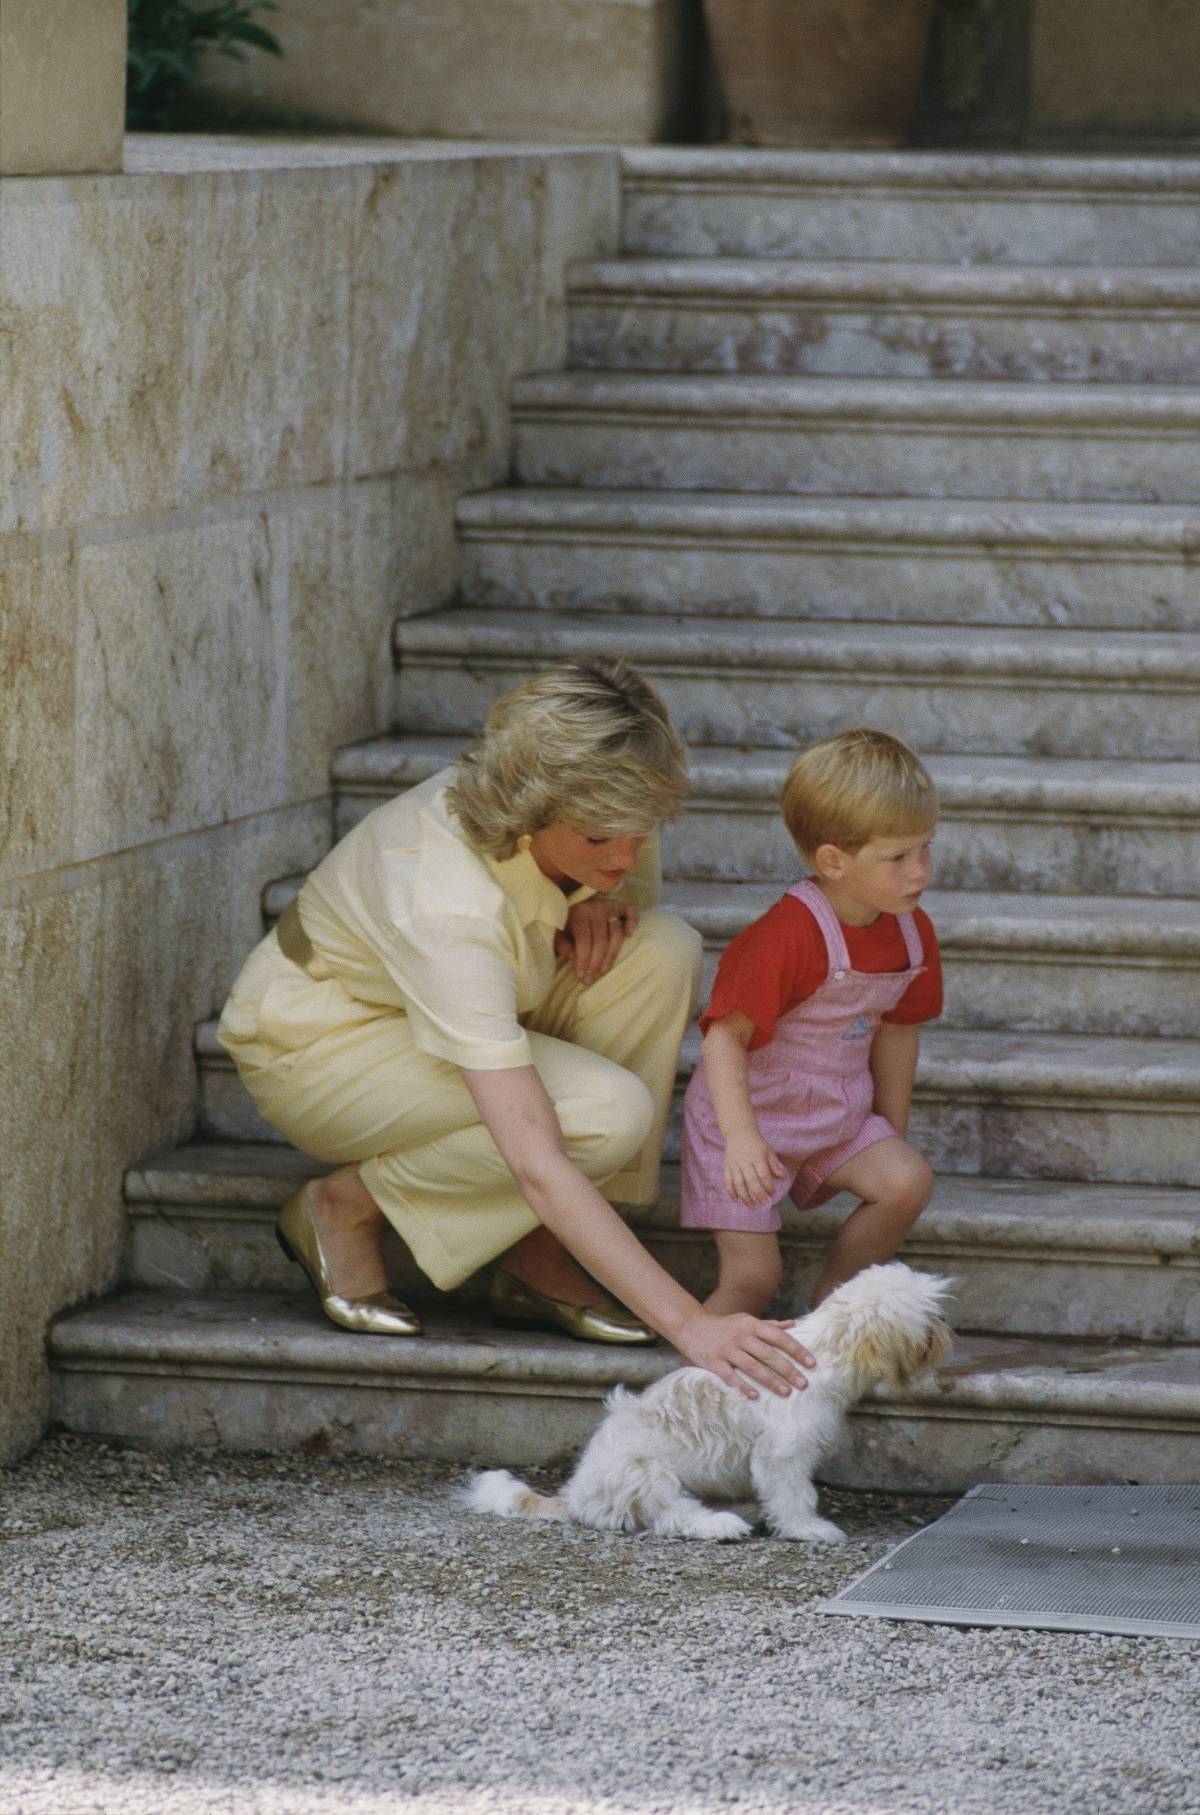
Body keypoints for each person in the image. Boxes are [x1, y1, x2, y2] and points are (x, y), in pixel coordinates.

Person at [218, 658, 813, 1400]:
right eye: (601, 841)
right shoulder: (450, 906)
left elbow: (621, 874)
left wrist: (589, 890)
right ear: (531, 812)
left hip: (449, 996)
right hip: (319, 1038)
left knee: (663, 950)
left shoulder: (606, 796)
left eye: (642, 833)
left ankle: (535, 1247)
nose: (626, 857)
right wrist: (691, 1324)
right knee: (606, 1112)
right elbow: (535, 1158)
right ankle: (345, 1205)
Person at [680, 726, 942, 1317]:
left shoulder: (909, 929)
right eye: (898, 857)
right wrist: (742, 1139)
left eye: (925, 847)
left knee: (906, 1182)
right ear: (833, 861)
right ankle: (692, 1384)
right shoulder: (787, 935)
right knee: (754, 1279)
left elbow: (899, 1032)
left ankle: (832, 1313)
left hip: (836, 1112)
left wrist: (889, 1127)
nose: (920, 870)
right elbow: (724, 1039)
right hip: (750, 1118)